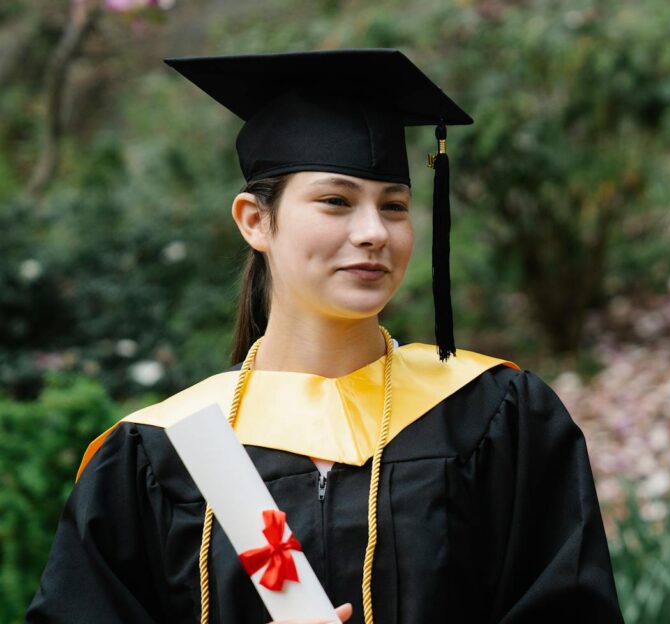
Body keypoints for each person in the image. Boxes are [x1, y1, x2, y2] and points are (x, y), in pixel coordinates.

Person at [27, 49, 623, 624]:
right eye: (336, 201)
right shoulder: (157, 455)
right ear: (255, 221)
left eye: (394, 206)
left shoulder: (496, 417)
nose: (373, 232)